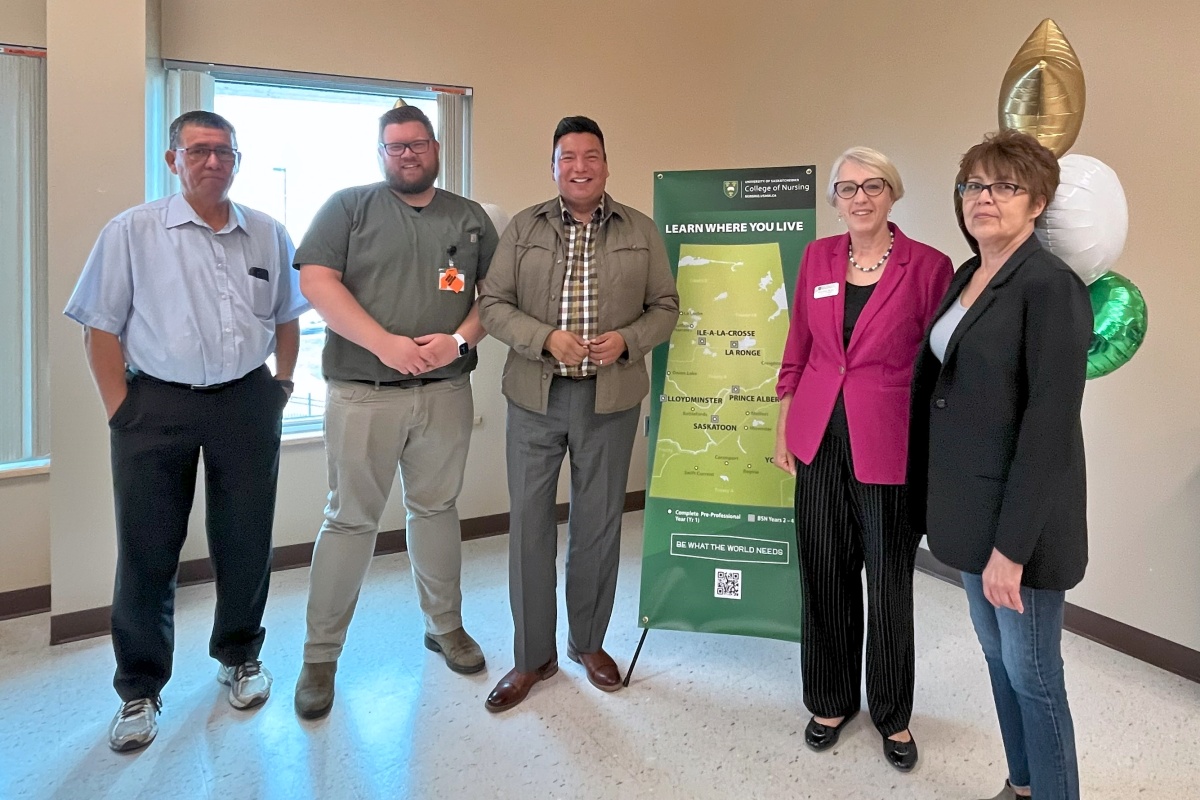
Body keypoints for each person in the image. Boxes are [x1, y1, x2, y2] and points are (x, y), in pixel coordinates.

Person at [65, 110, 308, 752]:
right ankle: (139, 688)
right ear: (173, 158)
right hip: (156, 405)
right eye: (199, 151)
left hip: (246, 400)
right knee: (147, 547)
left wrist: (280, 385)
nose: (213, 162)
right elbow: (99, 327)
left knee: (246, 536)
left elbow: (288, 316)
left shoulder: (267, 233)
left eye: (225, 151)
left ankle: (240, 655)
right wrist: (122, 408)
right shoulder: (132, 232)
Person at [293, 105, 498, 719]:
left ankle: (445, 627)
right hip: (364, 393)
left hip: (444, 393)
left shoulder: (469, 218)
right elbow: (317, 282)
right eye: (394, 146)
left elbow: (495, 297)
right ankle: (319, 657)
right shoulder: (348, 207)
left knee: (436, 509)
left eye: (416, 144)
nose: (406, 154)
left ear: (435, 147)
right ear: (381, 153)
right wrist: (385, 344)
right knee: (350, 521)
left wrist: (457, 341)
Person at [909, 129, 1091, 800]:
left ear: (1037, 202)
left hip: (1023, 526)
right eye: (974, 185)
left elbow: (1048, 427)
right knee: (999, 660)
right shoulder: (970, 275)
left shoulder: (1050, 287)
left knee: (1034, 673)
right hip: (970, 511)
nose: (985, 198)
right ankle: (1021, 785)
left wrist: (1011, 549)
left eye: (1005, 186)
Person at [478, 116, 679, 712]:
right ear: (554, 167)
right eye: (568, 157)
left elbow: (666, 305)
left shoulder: (640, 230)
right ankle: (531, 656)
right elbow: (492, 303)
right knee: (530, 530)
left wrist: (629, 340)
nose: (580, 166)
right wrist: (543, 337)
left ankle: (588, 643)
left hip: (609, 400)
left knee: (597, 526)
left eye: (591, 156)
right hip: (536, 399)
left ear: (607, 165)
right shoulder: (524, 228)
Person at [773, 147, 952, 771]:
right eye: (846, 189)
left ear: (893, 193)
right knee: (823, 571)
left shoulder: (930, 267)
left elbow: (937, 367)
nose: (859, 198)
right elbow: (798, 343)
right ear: (835, 200)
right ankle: (829, 698)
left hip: (889, 443)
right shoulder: (818, 257)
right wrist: (784, 426)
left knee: (889, 581)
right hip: (817, 434)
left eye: (872, 185)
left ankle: (893, 713)